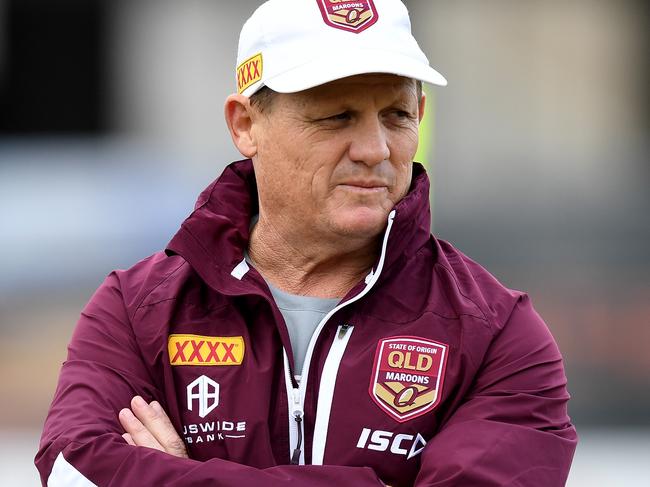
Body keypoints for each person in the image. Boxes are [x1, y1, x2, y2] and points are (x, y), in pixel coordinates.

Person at [35, 0, 577, 485]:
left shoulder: (497, 333)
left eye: (396, 115)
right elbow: (73, 470)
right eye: (335, 116)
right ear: (245, 124)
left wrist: (178, 478)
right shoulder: (137, 310)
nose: (374, 148)